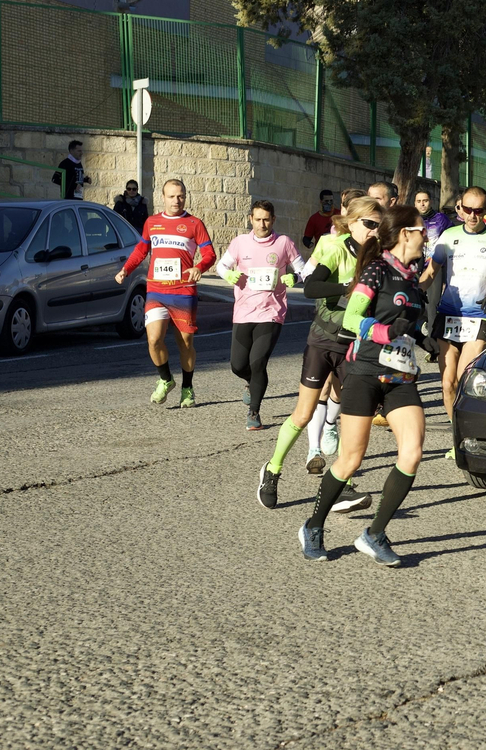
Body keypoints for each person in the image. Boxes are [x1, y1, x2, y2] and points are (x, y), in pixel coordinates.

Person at [299, 204, 430, 566]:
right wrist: (387, 332)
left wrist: (423, 338)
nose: (426, 236)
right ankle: (313, 526)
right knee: (351, 459)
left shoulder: (412, 274)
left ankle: (374, 534)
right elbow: (354, 318)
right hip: (365, 372)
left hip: (400, 376)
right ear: (405, 233)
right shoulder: (376, 271)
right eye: (422, 230)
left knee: (413, 451)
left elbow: (408, 320)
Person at [256, 196, 381, 510]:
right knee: (303, 414)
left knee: (352, 419)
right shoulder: (336, 248)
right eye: (369, 224)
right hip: (323, 342)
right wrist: (345, 289)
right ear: (351, 222)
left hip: (354, 347)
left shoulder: (379, 257)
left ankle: (345, 484)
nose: (374, 231)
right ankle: (272, 470)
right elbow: (311, 287)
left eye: (379, 225)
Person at [115, 178, 216, 407]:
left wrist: (198, 268)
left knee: (185, 343)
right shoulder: (152, 222)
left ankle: (187, 387)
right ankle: (165, 379)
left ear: (185, 197)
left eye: (180, 196)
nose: (176, 200)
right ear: (163, 198)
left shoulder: (194, 224)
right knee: (153, 340)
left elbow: (209, 254)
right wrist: (125, 270)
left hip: (183, 291)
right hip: (157, 290)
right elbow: (141, 250)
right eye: (171, 196)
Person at [425, 186, 486, 449]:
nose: (472, 216)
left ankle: (464, 438)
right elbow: (429, 274)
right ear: (459, 208)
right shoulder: (448, 236)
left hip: (479, 317)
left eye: (478, 211)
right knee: (447, 382)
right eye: (467, 210)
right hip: (449, 314)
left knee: (463, 376)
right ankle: (458, 436)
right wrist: (408, 293)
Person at [218, 200, 305, 430]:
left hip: (271, 312)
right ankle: (250, 382)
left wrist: (294, 278)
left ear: (273, 220)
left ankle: (254, 412)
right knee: (238, 366)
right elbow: (221, 266)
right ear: (251, 219)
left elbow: (304, 269)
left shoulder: (284, 243)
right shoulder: (240, 243)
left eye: (266, 219)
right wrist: (228, 276)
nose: (262, 224)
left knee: (258, 363)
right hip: (244, 312)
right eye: (258, 219)